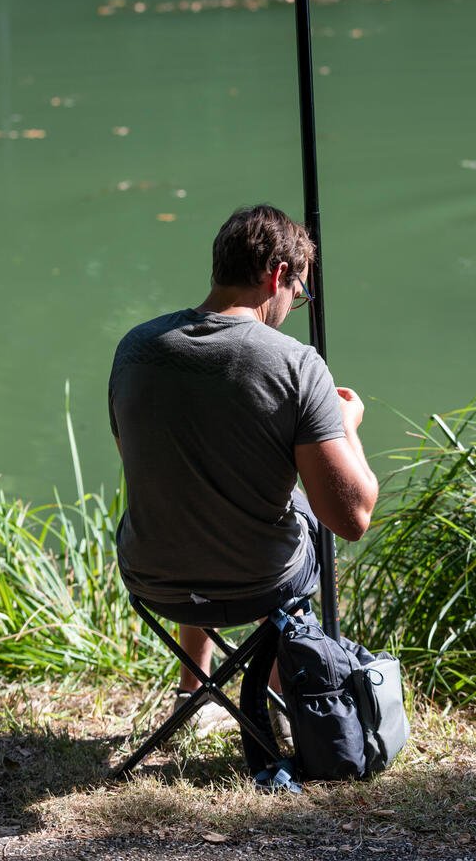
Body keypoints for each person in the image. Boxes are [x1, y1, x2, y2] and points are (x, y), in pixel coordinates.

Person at [109, 204, 378, 733]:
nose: (292, 305)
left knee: (188, 495)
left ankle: (193, 693)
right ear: (278, 275)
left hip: (152, 577)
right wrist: (346, 424)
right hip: (257, 584)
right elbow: (352, 518)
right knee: (304, 515)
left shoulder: (134, 349)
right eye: (297, 294)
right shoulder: (296, 364)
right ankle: (280, 698)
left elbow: (141, 463)